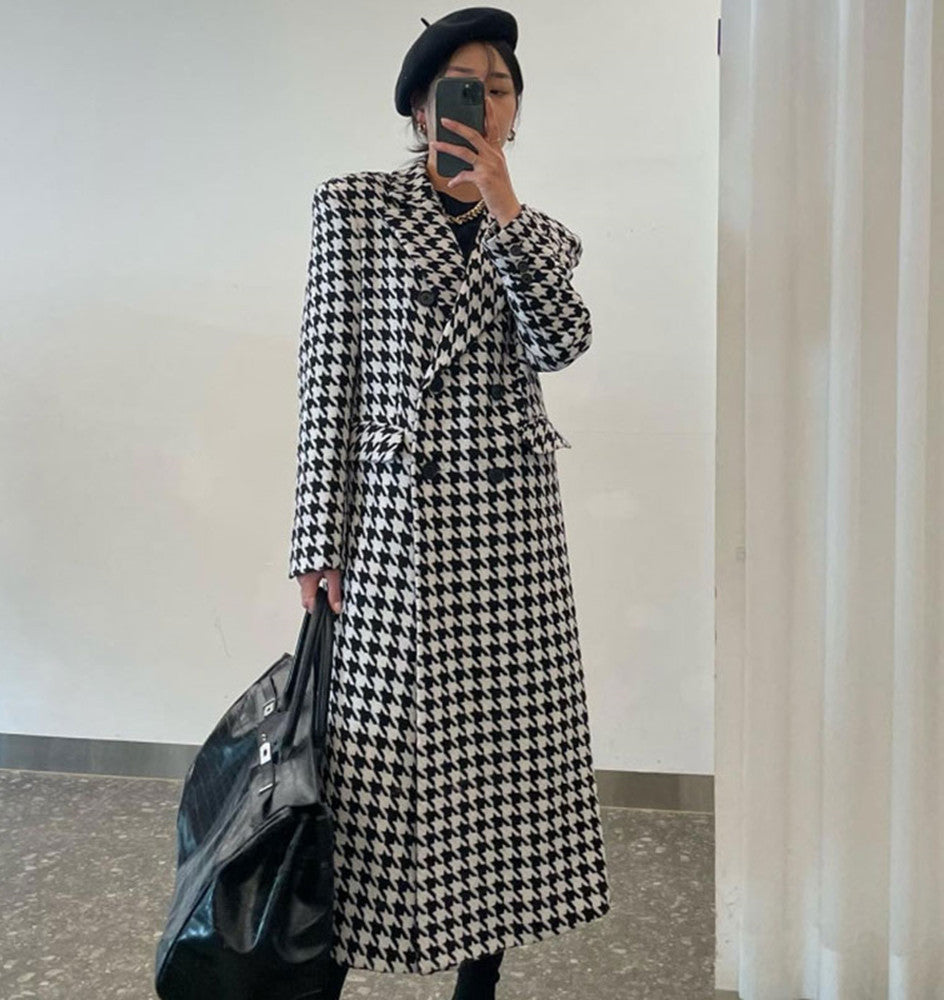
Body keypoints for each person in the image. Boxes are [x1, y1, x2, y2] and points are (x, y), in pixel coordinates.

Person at [290, 7, 611, 999]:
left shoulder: (541, 235)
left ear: (512, 112)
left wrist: (504, 211)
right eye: (462, 87)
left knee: (502, 771)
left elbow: (562, 344)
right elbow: (328, 379)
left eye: (498, 88)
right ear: (422, 107)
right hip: (396, 527)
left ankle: (480, 983)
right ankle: (324, 969)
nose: (483, 102)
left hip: (510, 536)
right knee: (370, 769)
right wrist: (315, 536)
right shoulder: (354, 208)